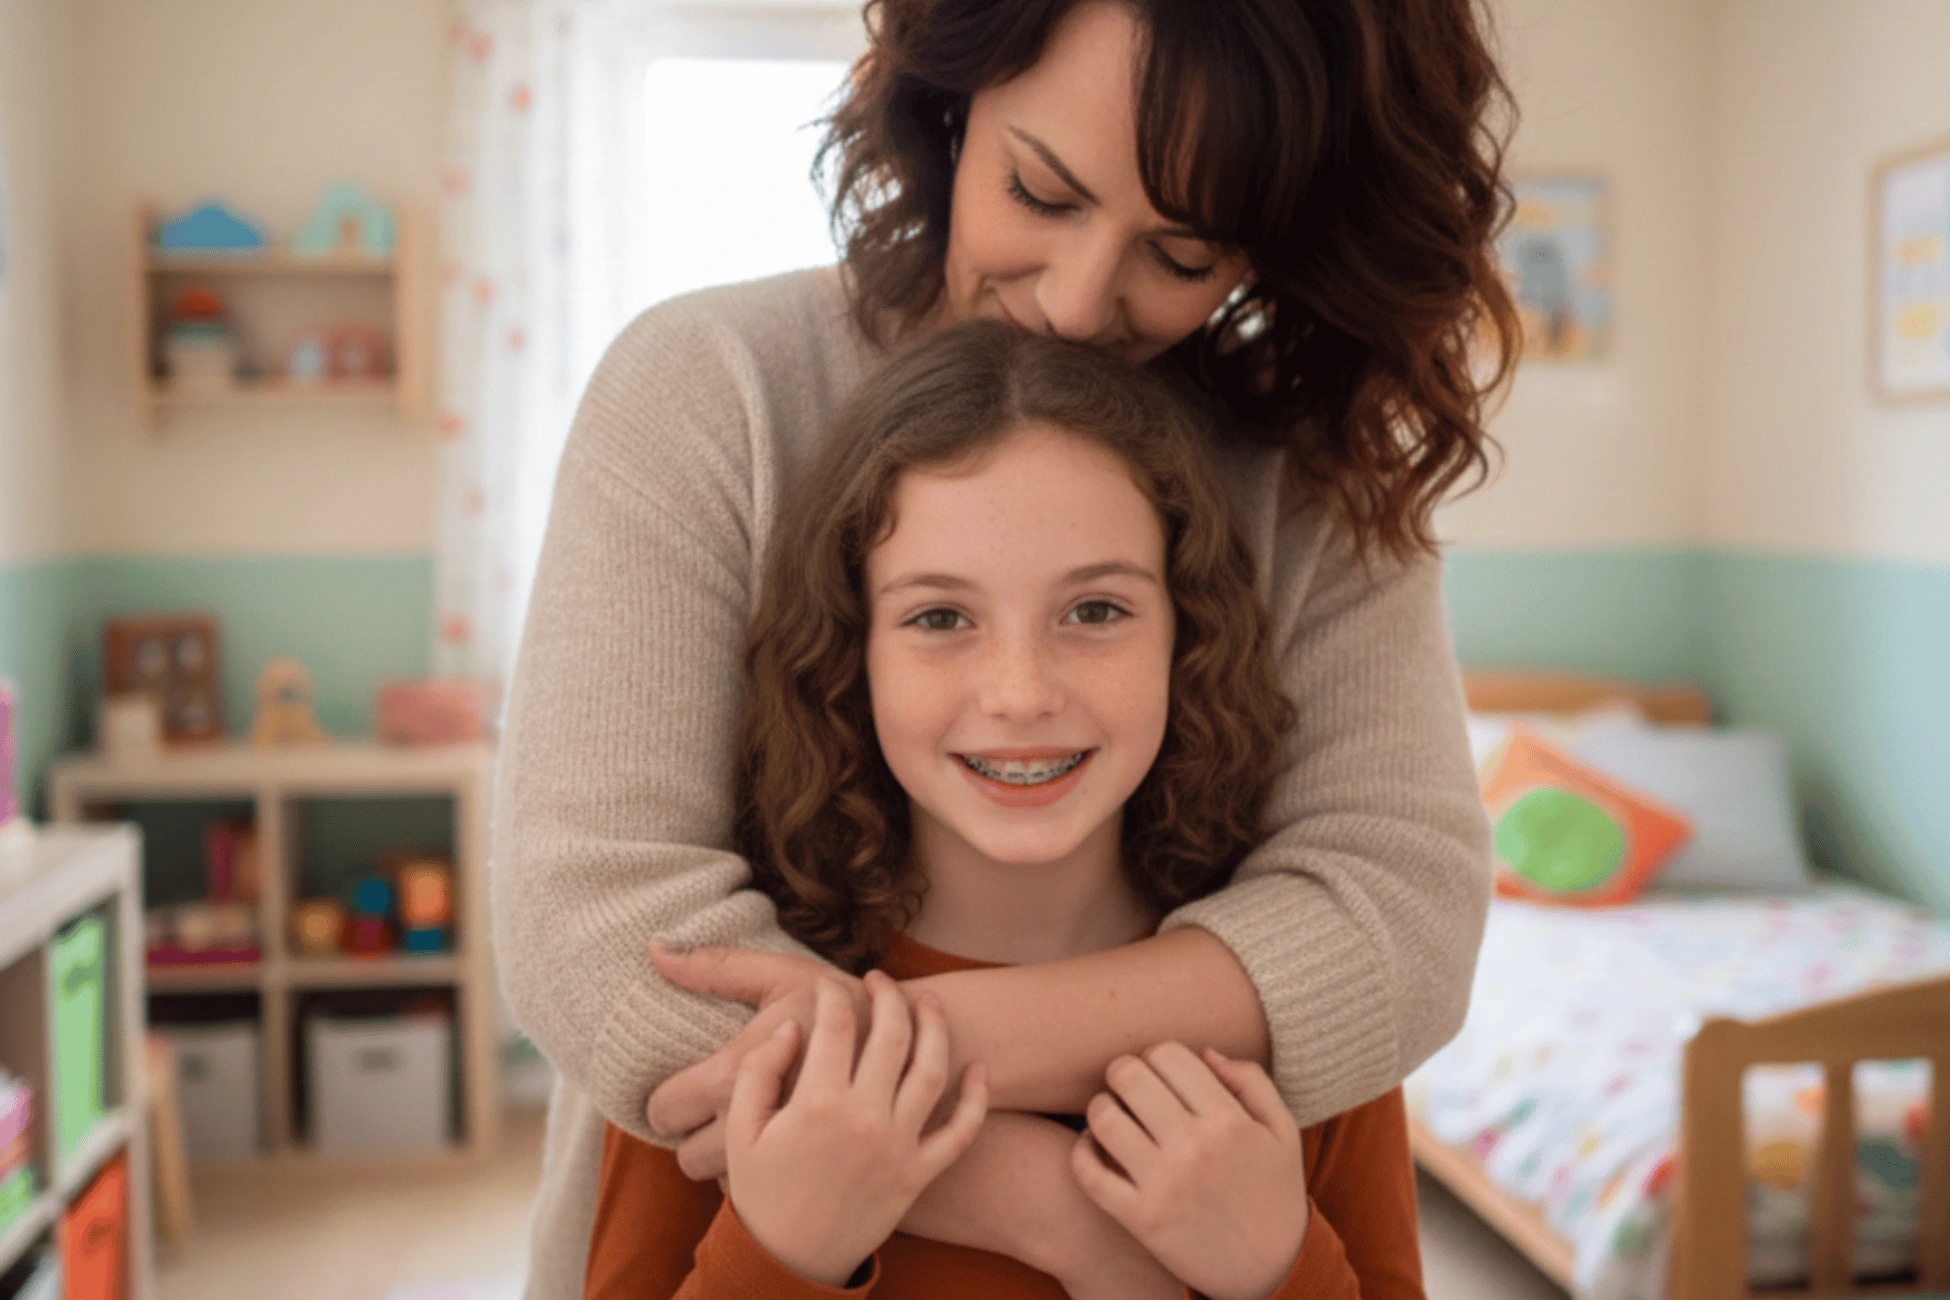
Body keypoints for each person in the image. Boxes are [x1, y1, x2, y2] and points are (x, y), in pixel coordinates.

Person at [494, 0, 1518, 1292]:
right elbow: (595, 927)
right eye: (1039, 192)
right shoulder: (711, 387)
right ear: (946, 101)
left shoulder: (1306, 471)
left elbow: (1397, 928)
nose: (1081, 303)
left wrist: (895, 1072)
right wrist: (1046, 1205)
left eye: (1184, 249)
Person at [583, 321, 1424, 1300]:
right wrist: (785, 1251)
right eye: (940, 617)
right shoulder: (745, 1018)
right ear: (853, 648)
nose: (1021, 692)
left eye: (1095, 610)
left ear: (1186, 631)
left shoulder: (1294, 1001)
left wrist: (1278, 1271)